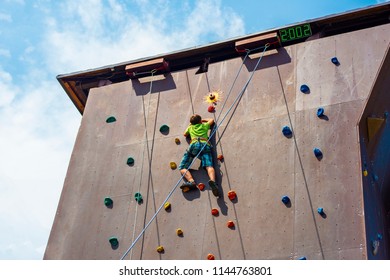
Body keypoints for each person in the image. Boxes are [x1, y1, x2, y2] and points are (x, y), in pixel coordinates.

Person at [179, 114, 219, 197]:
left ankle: (191, 181)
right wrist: (203, 120)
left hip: (194, 145)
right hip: (205, 144)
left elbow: (185, 134)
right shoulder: (203, 126)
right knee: (209, 166)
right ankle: (213, 181)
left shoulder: (190, 128)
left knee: (182, 167)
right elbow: (211, 120)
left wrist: (190, 125)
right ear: (200, 121)